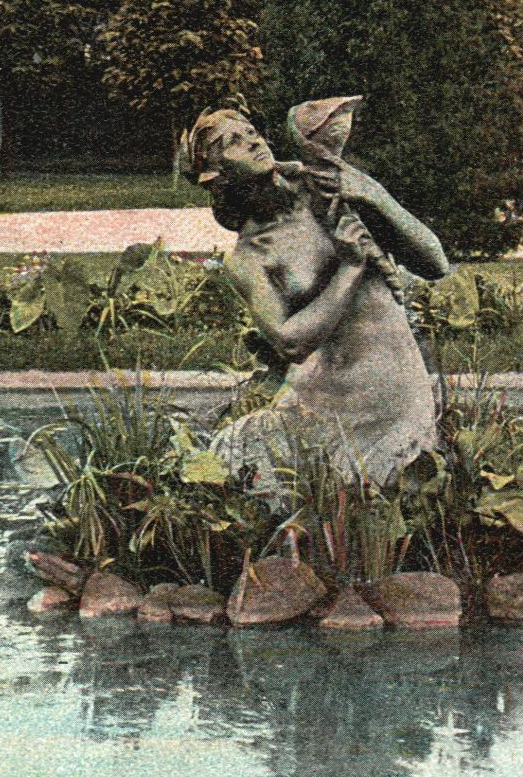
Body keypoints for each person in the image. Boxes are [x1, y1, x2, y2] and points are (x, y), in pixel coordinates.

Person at [180, 100, 452, 487]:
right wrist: (350, 267)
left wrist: (373, 194)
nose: (255, 142)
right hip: (323, 409)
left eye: (252, 132)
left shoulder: (327, 189)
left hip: (395, 397)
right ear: (217, 176)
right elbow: (290, 344)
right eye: (234, 143)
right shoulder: (252, 255)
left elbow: (435, 263)